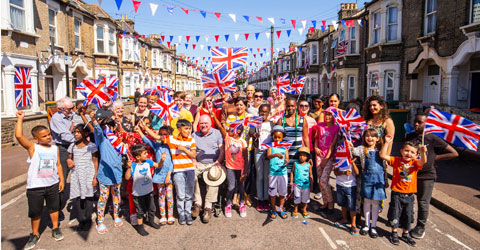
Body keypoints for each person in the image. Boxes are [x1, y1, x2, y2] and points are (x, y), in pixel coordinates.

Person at [15, 111, 65, 249]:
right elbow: (19, 136)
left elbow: (58, 165)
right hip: (35, 186)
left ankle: (55, 228)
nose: (48, 137)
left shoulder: (54, 148)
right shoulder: (33, 148)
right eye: (44, 136)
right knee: (35, 212)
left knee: (54, 208)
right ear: (36, 138)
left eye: (49, 134)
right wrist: (20, 119)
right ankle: (35, 234)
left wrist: (61, 180)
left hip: (52, 184)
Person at [405, 113, 458, 239]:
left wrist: (435, 158)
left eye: (420, 122)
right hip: (412, 174)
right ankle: (407, 219)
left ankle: (420, 227)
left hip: (426, 176)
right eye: (415, 122)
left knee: (423, 202)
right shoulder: (410, 136)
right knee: (408, 198)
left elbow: (454, 153)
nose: (416, 124)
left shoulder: (432, 138)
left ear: (427, 124)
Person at [380, 137, 427, 247]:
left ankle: (405, 234)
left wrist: (423, 152)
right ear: (401, 151)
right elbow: (383, 155)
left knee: (408, 215)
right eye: (406, 150)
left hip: (409, 195)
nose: (409, 154)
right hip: (397, 193)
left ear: (416, 155)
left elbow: (423, 161)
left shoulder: (415, 163)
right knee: (395, 213)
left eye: (412, 152)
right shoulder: (396, 161)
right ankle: (394, 233)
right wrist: (387, 142)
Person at [89, 111, 124, 234]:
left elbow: (124, 136)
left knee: (116, 196)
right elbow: (97, 130)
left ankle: (116, 215)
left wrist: (118, 123)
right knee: (103, 198)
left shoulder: (118, 139)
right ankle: (100, 221)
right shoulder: (102, 139)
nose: (107, 129)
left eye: (110, 127)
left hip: (117, 173)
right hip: (105, 174)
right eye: (105, 127)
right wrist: (94, 119)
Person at [349, 129, 386, 238]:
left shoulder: (380, 150)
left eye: (372, 136)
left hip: (378, 180)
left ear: (377, 138)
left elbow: (386, 155)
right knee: (366, 202)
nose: (370, 138)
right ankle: (366, 225)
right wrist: (350, 145)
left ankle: (373, 226)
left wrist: (387, 142)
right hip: (367, 178)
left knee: (375, 204)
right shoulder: (361, 149)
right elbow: (352, 151)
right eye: (367, 136)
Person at [137, 125, 175, 226]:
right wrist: (140, 131)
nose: (162, 137)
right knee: (161, 196)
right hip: (159, 175)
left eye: (165, 134)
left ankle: (170, 215)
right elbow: (147, 140)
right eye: (161, 134)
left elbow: (172, 162)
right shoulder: (157, 146)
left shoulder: (171, 146)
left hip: (168, 175)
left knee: (169, 196)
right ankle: (163, 215)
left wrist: (168, 174)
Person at [192, 114, 225, 223]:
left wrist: (218, 161)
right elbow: (191, 151)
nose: (204, 125)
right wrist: (194, 160)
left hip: (213, 163)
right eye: (201, 123)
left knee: (214, 177)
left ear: (210, 123)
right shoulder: (194, 135)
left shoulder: (217, 133)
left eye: (206, 123)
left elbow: (222, 150)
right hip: (199, 163)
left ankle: (208, 207)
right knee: (191, 174)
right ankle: (197, 203)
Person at [164, 119, 197, 225]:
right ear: (179, 129)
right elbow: (157, 137)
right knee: (180, 194)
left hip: (190, 170)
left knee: (189, 194)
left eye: (189, 129)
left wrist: (184, 149)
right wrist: (144, 129)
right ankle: (181, 214)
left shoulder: (191, 140)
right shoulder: (172, 139)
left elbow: (193, 155)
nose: (188, 131)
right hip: (178, 171)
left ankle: (188, 213)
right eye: (186, 129)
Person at [66, 125, 98, 231]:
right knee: (78, 197)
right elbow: (69, 158)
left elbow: (95, 161)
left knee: (89, 197)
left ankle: (87, 219)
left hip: (88, 173)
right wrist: (68, 161)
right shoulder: (72, 146)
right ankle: (81, 219)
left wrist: (95, 177)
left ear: (85, 134)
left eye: (79, 132)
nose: (76, 134)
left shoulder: (91, 146)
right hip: (76, 174)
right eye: (75, 132)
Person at [125, 144, 162, 236]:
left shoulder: (148, 162)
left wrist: (162, 160)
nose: (147, 155)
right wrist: (129, 167)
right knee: (140, 211)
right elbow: (127, 177)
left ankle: (151, 221)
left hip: (149, 191)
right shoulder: (133, 166)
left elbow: (158, 165)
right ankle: (140, 227)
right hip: (138, 194)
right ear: (137, 157)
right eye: (144, 153)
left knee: (152, 208)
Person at [217, 119, 248, 218]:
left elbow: (246, 158)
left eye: (232, 127)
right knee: (231, 187)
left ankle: (242, 204)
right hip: (230, 167)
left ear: (238, 131)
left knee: (241, 187)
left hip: (241, 168)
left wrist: (245, 172)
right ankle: (228, 204)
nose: (229, 129)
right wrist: (213, 116)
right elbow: (221, 128)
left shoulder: (243, 142)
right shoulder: (228, 138)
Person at [49, 97, 75, 210]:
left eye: (72, 108)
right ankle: (57, 208)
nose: (71, 111)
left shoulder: (73, 116)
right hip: (63, 148)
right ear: (60, 109)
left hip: (75, 146)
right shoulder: (56, 118)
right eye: (69, 109)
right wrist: (81, 138)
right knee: (62, 177)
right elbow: (65, 136)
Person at [313, 107, 339, 215]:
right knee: (320, 179)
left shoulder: (336, 128)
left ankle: (330, 203)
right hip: (319, 154)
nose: (327, 117)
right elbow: (316, 138)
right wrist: (315, 147)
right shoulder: (320, 126)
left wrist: (327, 159)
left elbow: (332, 145)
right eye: (326, 114)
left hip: (329, 157)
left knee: (324, 180)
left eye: (330, 115)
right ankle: (324, 202)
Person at [333, 136, 360, 235]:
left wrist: (353, 164)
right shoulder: (339, 160)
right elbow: (335, 172)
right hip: (340, 184)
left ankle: (353, 224)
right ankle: (344, 219)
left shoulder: (352, 160)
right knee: (342, 204)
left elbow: (357, 173)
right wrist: (343, 173)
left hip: (350, 186)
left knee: (351, 206)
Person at [249, 104, 273, 211]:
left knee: (267, 176)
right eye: (261, 111)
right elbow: (250, 132)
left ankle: (266, 199)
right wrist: (254, 135)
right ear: (258, 112)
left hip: (268, 153)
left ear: (269, 113)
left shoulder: (272, 124)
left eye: (266, 112)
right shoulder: (255, 123)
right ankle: (260, 198)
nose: (263, 114)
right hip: (258, 151)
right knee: (260, 176)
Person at [277, 98, 309, 174]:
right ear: (285, 106)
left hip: (298, 154)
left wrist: (308, 154)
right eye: (288, 106)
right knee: (285, 177)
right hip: (285, 154)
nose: (290, 108)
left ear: (296, 106)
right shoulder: (281, 120)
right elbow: (278, 140)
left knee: (297, 176)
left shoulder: (302, 120)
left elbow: (305, 138)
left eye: (292, 106)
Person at [266, 125, 290, 219]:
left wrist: (286, 162)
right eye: (275, 137)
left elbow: (287, 158)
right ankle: (273, 208)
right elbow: (268, 156)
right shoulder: (270, 146)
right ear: (272, 136)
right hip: (273, 173)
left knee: (282, 192)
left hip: (283, 173)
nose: (277, 139)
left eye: (279, 137)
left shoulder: (285, 147)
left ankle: (281, 208)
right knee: (272, 193)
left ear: (283, 137)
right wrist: (275, 155)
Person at [298, 99, 320, 198]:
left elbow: (315, 135)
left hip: (309, 147)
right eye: (301, 106)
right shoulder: (296, 119)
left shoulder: (312, 120)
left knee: (311, 168)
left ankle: (313, 186)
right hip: (298, 148)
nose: (303, 108)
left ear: (309, 108)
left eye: (306, 106)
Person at [290, 147, 313, 219]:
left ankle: (304, 209)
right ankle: (295, 209)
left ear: (307, 157)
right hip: (297, 184)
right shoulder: (295, 164)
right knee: (296, 197)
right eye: (300, 155)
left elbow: (311, 175)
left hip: (306, 185)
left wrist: (311, 185)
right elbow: (292, 172)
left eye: (304, 155)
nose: (302, 157)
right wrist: (291, 181)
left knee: (305, 199)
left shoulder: (308, 165)